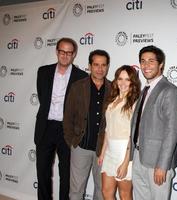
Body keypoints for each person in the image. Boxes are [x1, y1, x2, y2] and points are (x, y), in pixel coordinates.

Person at [34, 37, 88, 200]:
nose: (65, 55)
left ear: (74, 55)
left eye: (69, 52)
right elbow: (43, 97)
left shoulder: (81, 76)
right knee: (42, 172)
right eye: (62, 51)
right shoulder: (43, 72)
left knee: (66, 174)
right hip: (45, 128)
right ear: (57, 52)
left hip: (67, 130)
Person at [129, 45, 177, 200]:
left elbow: (172, 131)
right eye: (143, 61)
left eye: (151, 61)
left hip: (157, 163)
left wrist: (162, 165)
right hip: (139, 157)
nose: (146, 65)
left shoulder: (170, 91)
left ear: (161, 64)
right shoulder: (145, 90)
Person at [63, 49, 111, 200]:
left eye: (103, 65)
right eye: (96, 64)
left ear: (107, 67)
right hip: (80, 146)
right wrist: (72, 142)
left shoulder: (113, 88)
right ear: (89, 66)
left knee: (101, 190)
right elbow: (68, 116)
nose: (100, 69)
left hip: (103, 149)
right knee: (76, 190)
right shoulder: (77, 87)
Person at [99, 65, 141, 200]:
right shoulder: (112, 101)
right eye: (120, 79)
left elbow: (133, 134)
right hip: (109, 153)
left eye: (127, 80)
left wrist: (126, 161)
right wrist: (102, 152)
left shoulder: (134, 103)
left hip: (125, 153)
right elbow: (108, 129)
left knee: (125, 195)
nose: (123, 83)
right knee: (106, 193)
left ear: (132, 82)